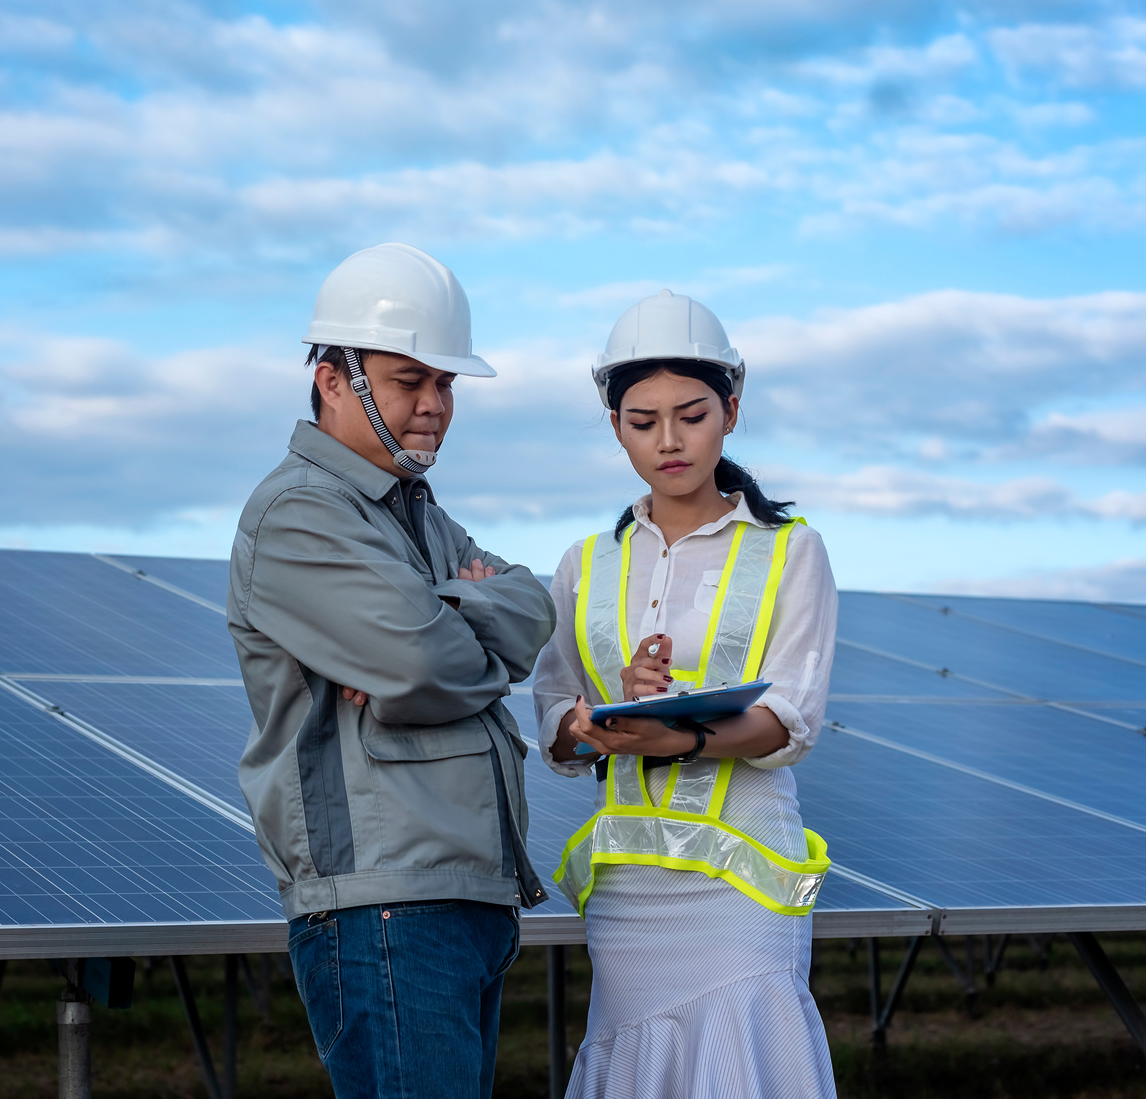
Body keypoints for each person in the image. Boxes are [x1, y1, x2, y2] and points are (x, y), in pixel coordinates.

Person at [228, 242, 557, 1099]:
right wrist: (452, 627)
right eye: (411, 380)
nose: (435, 406)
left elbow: (532, 608)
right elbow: (420, 659)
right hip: (385, 907)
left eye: (445, 384)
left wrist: (448, 617)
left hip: (458, 895)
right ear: (333, 379)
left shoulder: (413, 513)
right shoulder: (300, 512)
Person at [533, 289, 838, 1097]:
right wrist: (598, 718)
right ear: (614, 425)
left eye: (691, 414)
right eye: (641, 421)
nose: (667, 440)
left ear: (731, 409)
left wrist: (687, 737)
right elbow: (554, 721)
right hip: (628, 887)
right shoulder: (582, 563)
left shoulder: (791, 551)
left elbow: (792, 720)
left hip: (744, 890)